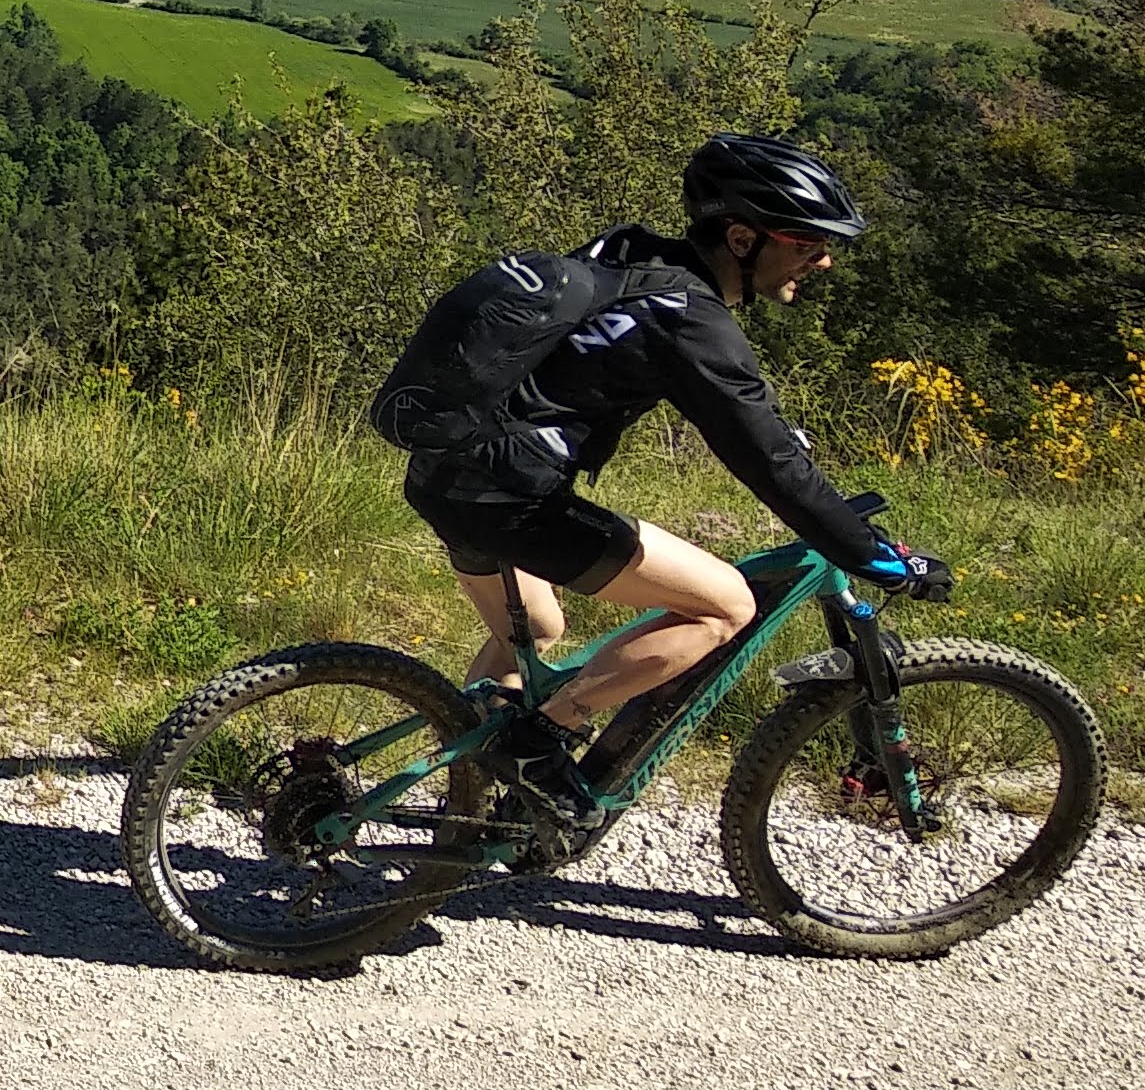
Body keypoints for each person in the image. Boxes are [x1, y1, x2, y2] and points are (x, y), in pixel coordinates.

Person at [401, 133, 944, 810]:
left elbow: (603, 360)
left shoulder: (629, 253)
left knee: (536, 633)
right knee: (726, 606)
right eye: (806, 244)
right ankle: (544, 735)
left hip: (444, 473)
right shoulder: (692, 322)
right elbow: (770, 464)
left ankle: (469, 804)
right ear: (743, 239)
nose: (824, 260)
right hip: (511, 498)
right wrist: (879, 558)